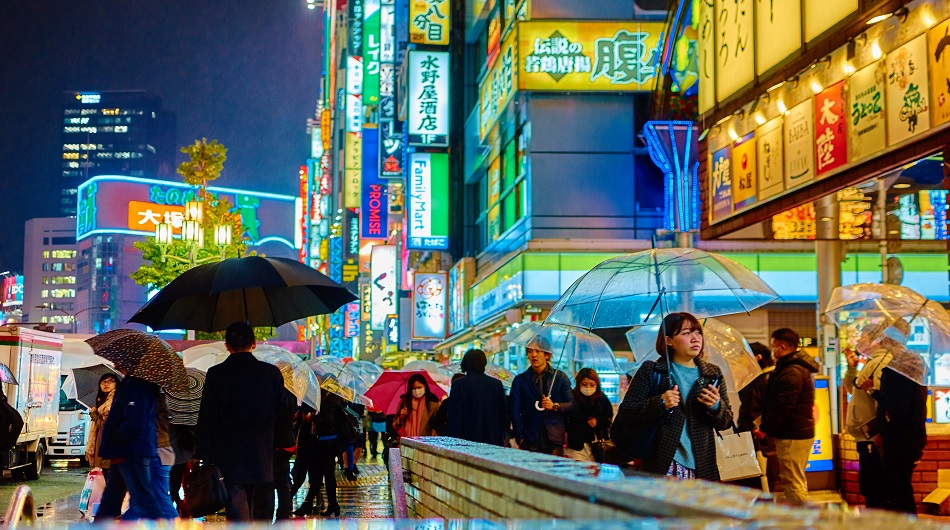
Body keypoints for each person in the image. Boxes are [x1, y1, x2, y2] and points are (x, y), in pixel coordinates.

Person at [613, 312, 732, 480]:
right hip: (663, 462)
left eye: (698, 332)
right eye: (686, 333)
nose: (695, 338)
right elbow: (627, 411)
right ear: (668, 340)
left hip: (702, 465)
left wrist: (716, 406)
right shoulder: (652, 371)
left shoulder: (712, 374)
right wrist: (659, 403)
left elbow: (726, 422)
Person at [195, 322, 294, 522]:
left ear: (227, 345)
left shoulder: (216, 374)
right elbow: (284, 410)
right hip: (262, 448)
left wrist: (202, 452)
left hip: (228, 449)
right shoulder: (270, 373)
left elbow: (207, 415)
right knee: (262, 500)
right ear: (254, 343)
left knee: (235, 499)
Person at [866, 331, 928, 514]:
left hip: (902, 438)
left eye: (885, 338)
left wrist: (873, 391)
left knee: (899, 488)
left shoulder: (903, 367)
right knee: (899, 487)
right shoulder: (909, 364)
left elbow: (898, 405)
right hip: (905, 436)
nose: (882, 341)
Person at [94, 371, 169, 521]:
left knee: (144, 499)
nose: (115, 363)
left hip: (130, 450)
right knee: (111, 500)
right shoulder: (132, 382)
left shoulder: (138, 384)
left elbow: (134, 419)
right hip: (124, 450)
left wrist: (117, 438)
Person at [759, 328, 818, 506]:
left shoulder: (792, 372)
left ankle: (800, 520)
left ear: (782, 347)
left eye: (773, 346)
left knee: (792, 481)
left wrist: (765, 428)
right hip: (796, 432)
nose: (772, 351)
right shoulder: (793, 368)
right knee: (794, 478)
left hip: (793, 434)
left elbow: (782, 406)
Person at [843, 322, 895, 509]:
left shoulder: (881, 364)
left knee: (875, 488)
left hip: (874, 437)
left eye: (863, 336)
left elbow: (882, 400)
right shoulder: (871, 363)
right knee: (871, 485)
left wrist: (881, 431)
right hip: (866, 436)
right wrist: (852, 369)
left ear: (876, 340)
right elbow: (856, 390)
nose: (859, 340)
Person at [510, 336, 574, 455]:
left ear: (547, 355)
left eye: (538, 351)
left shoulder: (560, 378)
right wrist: (520, 438)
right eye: (530, 351)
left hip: (554, 437)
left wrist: (555, 406)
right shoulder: (520, 380)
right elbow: (515, 410)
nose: (533, 355)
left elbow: (571, 404)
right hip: (530, 437)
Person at [736, 342, 777, 490]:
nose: (742, 362)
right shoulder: (761, 378)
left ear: (757, 357)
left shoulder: (763, 379)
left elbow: (755, 409)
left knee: (758, 477)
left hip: (755, 435)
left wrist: (759, 427)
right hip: (753, 434)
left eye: (745, 358)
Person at [446, 349, 508, 446]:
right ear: (484, 363)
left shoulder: (458, 385)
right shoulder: (496, 384)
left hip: (465, 441)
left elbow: (454, 417)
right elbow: (503, 414)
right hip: (492, 439)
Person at [299, 389, 345, 517]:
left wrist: (312, 417)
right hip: (327, 442)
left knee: (327, 474)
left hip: (328, 443)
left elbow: (328, 422)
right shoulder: (333, 399)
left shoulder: (331, 400)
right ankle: (331, 504)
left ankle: (332, 505)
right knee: (326, 474)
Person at [565, 368, 613, 462]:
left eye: (592, 385)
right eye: (584, 384)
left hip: (597, 445)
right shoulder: (572, 397)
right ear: (578, 383)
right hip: (576, 445)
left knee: (595, 473)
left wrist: (598, 421)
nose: (588, 388)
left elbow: (609, 419)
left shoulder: (601, 398)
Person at [86, 373, 117, 473]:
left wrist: (94, 414)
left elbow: (106, 426)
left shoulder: (113, 402)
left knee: (109, 479)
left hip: (109, 447)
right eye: (103, 382)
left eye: (111, 381)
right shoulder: (103, 401)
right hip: (103, 444)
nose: (106, 384)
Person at [393, 373, 442, 438]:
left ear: (424, 385)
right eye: (413, 388)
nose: (416, 391)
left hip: (426, 442)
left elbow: (438, 425)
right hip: (407, 441)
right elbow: (395, 426)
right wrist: (401, 417)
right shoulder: (404, 402)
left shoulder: (433, 402)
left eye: (419, 387)